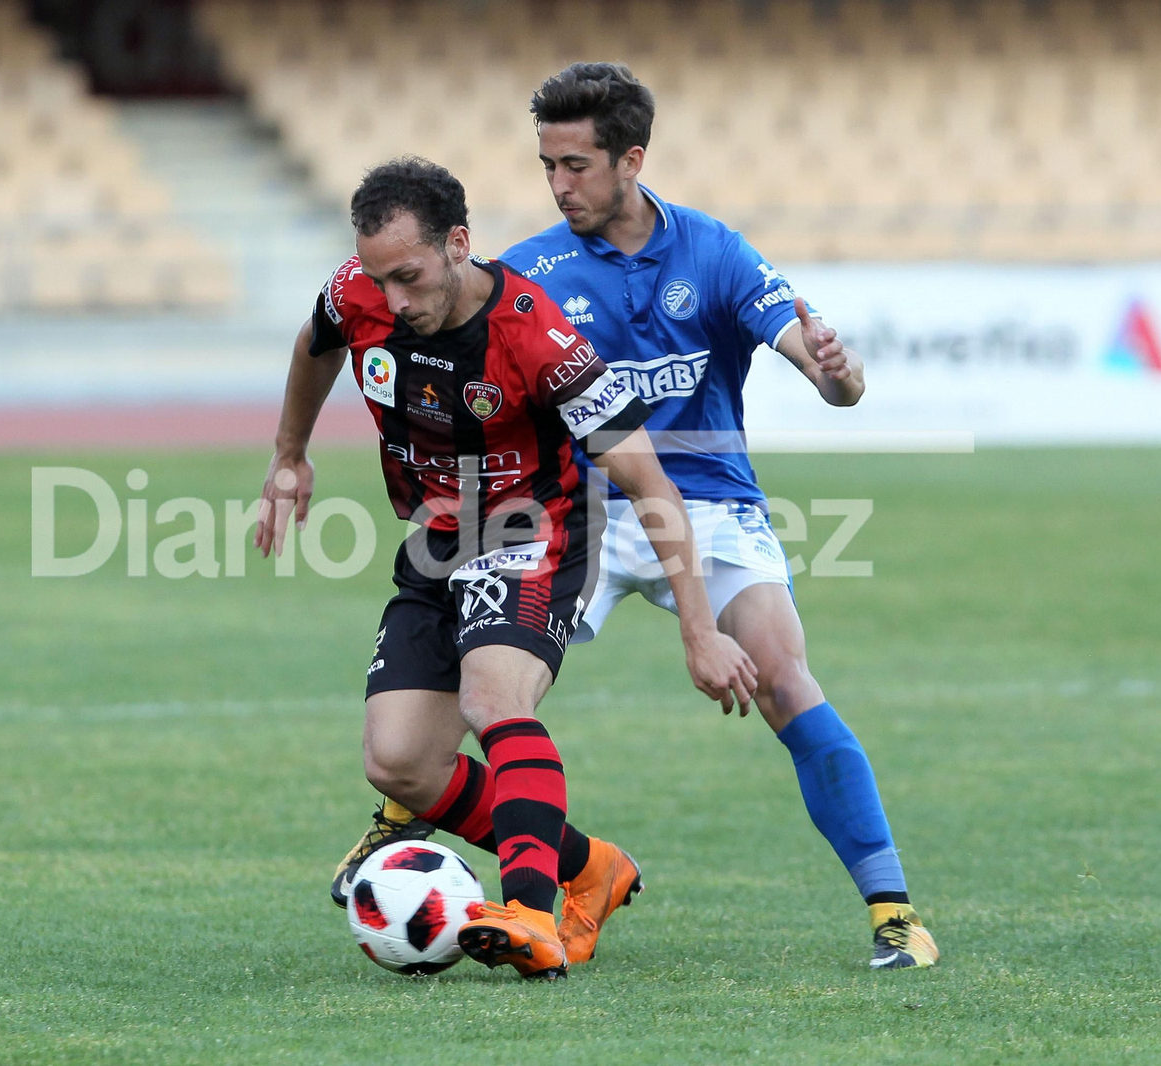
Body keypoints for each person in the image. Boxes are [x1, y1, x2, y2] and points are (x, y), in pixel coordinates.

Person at [334, 65, 940, 971]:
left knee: (782, 677)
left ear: (631, 160)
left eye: (575, 164)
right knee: (482, 681)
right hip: (577, 513)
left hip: (712, 505)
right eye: (547, 165)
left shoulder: (716, 253)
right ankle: (414, 814)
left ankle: (892, 912)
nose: (558, 184)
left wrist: (837, 370)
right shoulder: (529, 270)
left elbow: (832, 380)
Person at [260, 157, 757, 978]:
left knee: (495, 698)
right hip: (436, 539)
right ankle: (590, 866)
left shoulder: (537, 333)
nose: (393, 302)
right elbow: (318, 343)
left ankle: (528, 913)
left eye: (410, 278)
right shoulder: (359, 289)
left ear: (459, 245)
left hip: (540, 531)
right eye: (380, 282)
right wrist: (289, 453)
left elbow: (649, 480)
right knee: (400, 763)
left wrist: (699, 629)